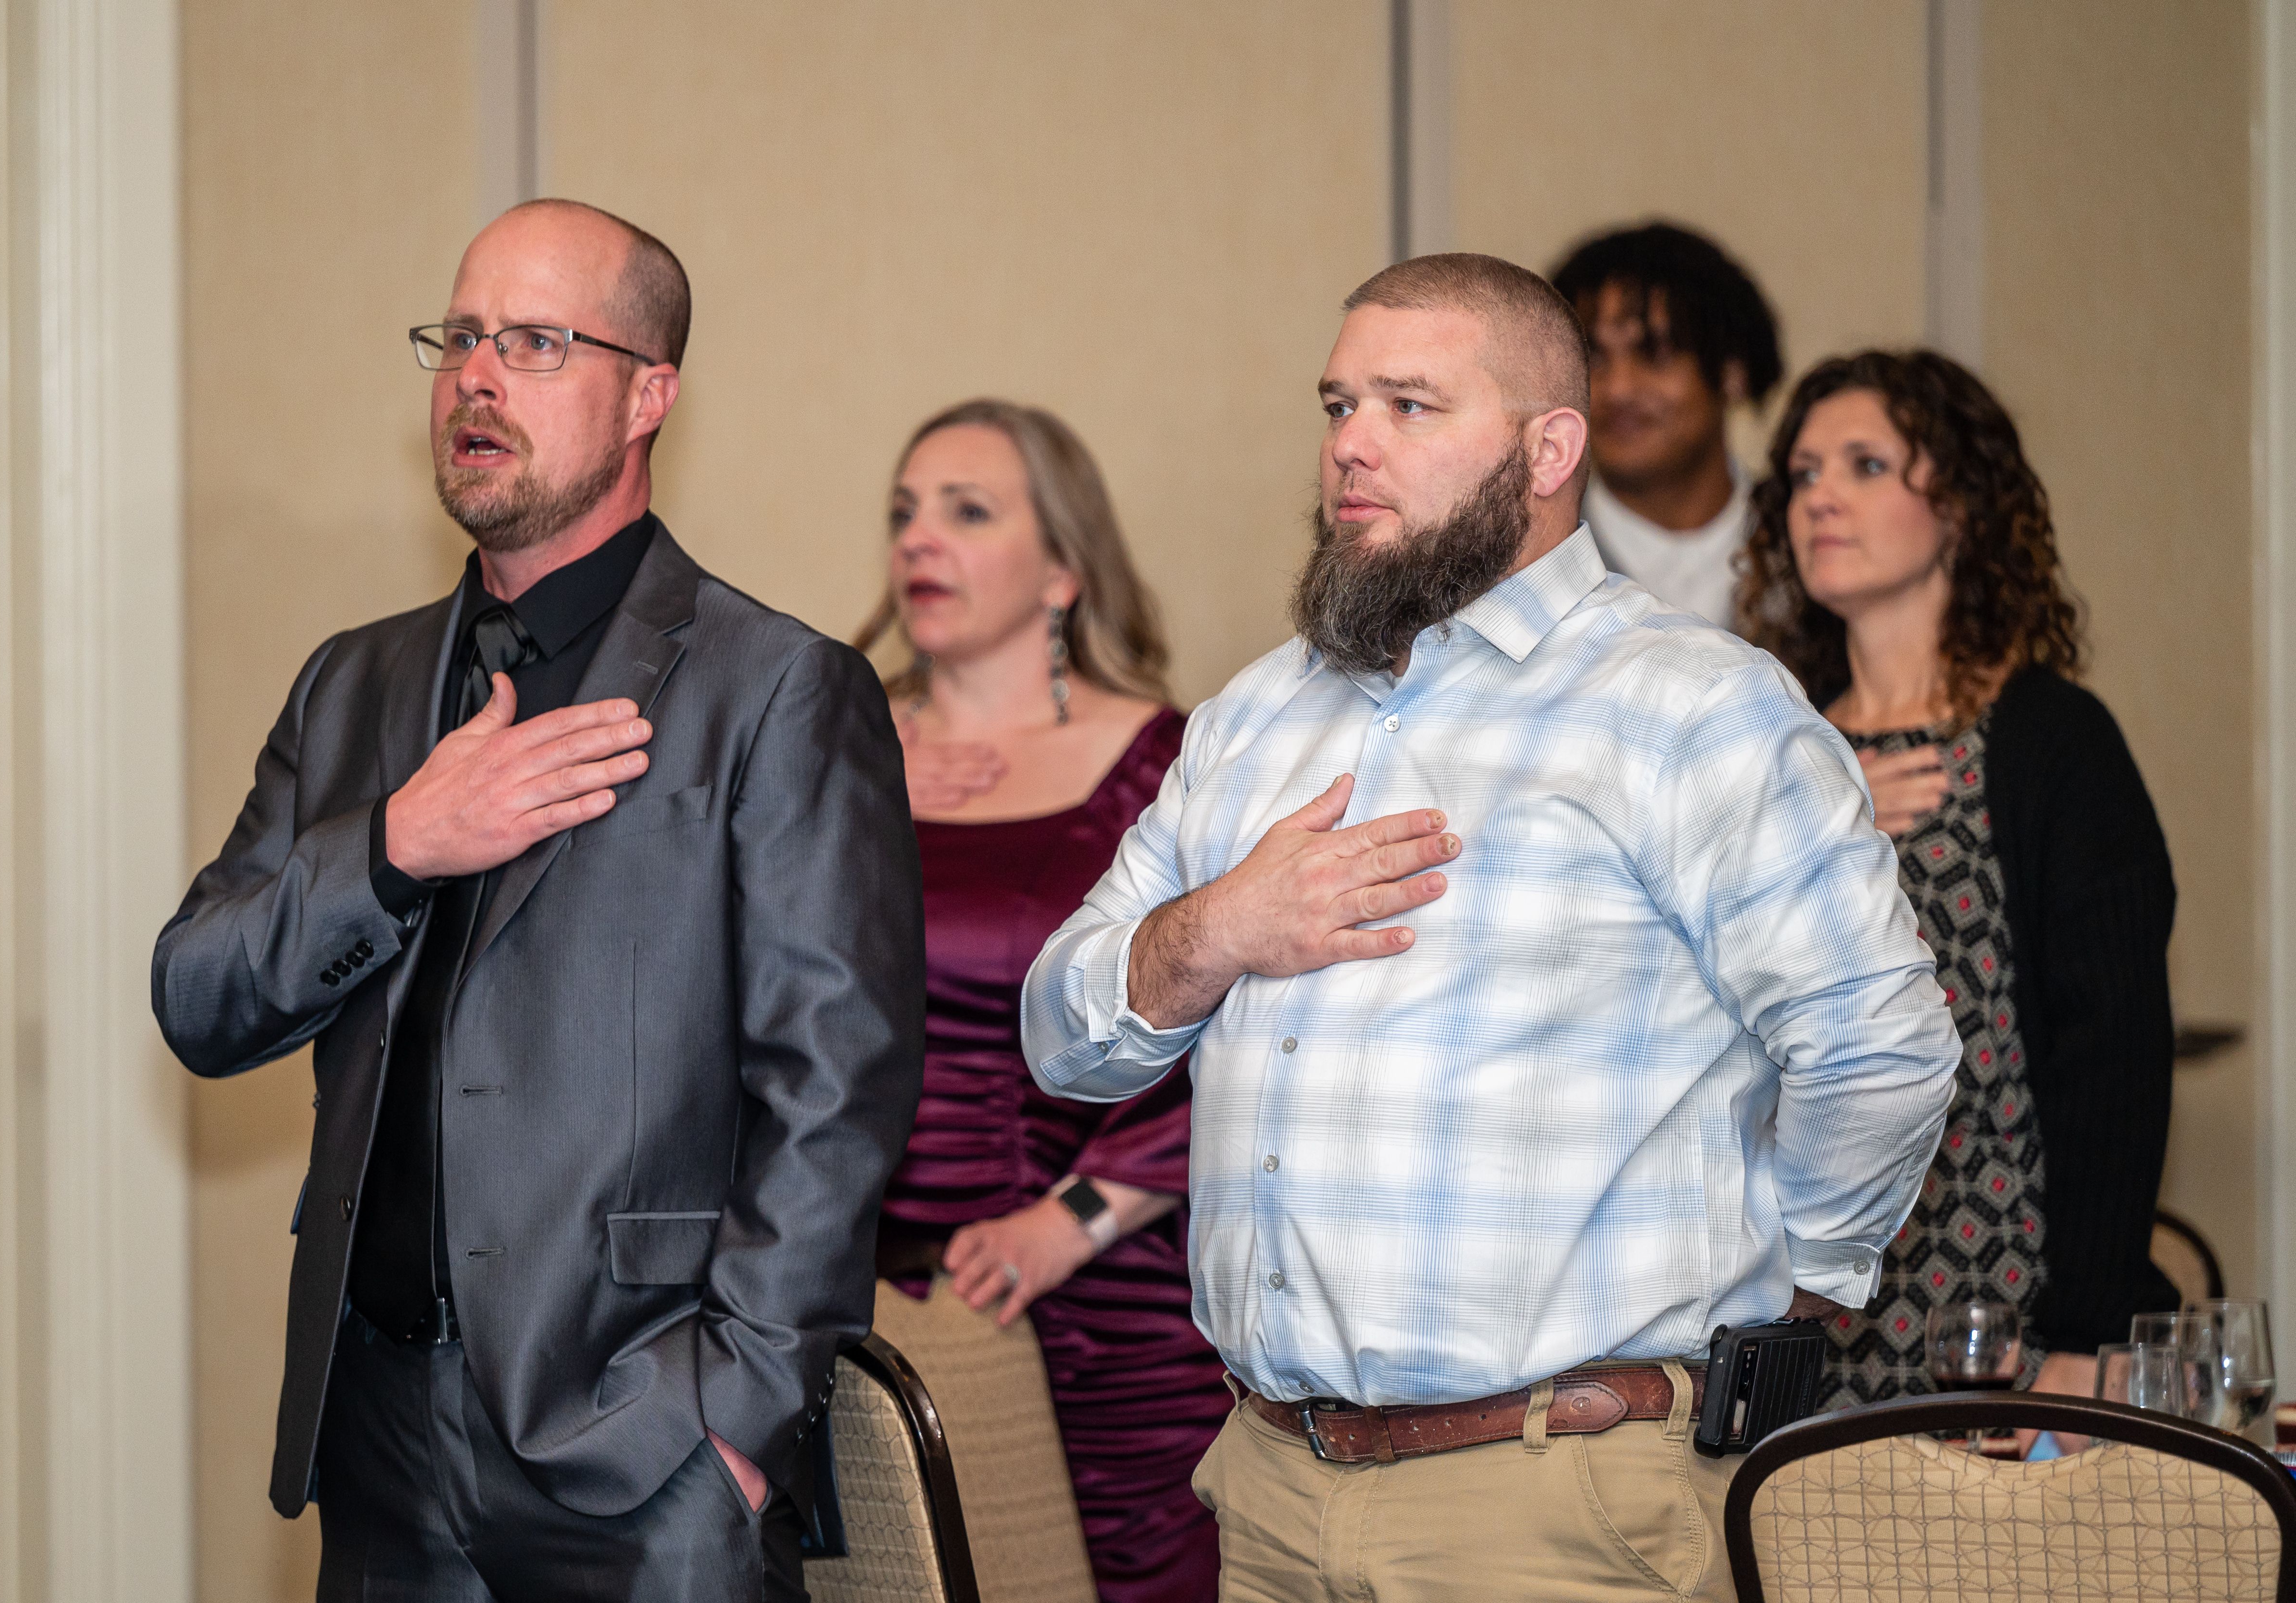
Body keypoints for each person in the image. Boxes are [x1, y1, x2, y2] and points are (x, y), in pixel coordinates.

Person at [1022, 252, 1961, 1603]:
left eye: (1409, 406)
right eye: (1339, 404)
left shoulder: (1692, 706)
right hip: (1273, 1490)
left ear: (1548, 447)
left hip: (1560, 1500)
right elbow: (1063, 1036)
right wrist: (1218, 929)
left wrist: (1791, 1288)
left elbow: (1878, 1050)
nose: (1351, 445)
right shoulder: (1254, 717)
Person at [151, 198, 923, 1603]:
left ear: (650, 393)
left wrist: (730, 1430)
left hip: (646, 1452)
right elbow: (200, 996)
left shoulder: (775, 691)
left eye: (535, 342)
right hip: (378, 1436)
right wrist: (392, 844)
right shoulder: (354, 686)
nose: (476, 377)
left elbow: (836, 1089)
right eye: (459, 338)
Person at [1739, 349, 2179, 1410]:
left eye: (1866, 465)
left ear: (1964, 508)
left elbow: (2113, 1052)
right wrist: (1822, 809)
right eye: (1802, 474)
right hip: (1792, 1313)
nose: (1822, 498)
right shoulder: (1768, 744)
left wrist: (2088, 1326)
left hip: (2006, 1315)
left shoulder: (2050, 741)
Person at [852, 399, 1226, 1603]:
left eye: (967, 511)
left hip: (1106, 1303)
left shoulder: (1168, 765)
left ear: (1064, 568)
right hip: (861, 1303)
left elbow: (1239, 1031)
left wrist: (1073, 1217)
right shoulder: (827, 750)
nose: (920, 539)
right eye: (904, 512)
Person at [1550, 221, 1782, 631]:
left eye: (1655, 353)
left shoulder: (1811, 549)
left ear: (1733, 372)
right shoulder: (1525, 561)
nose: (1618, 390)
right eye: (1594, 358)